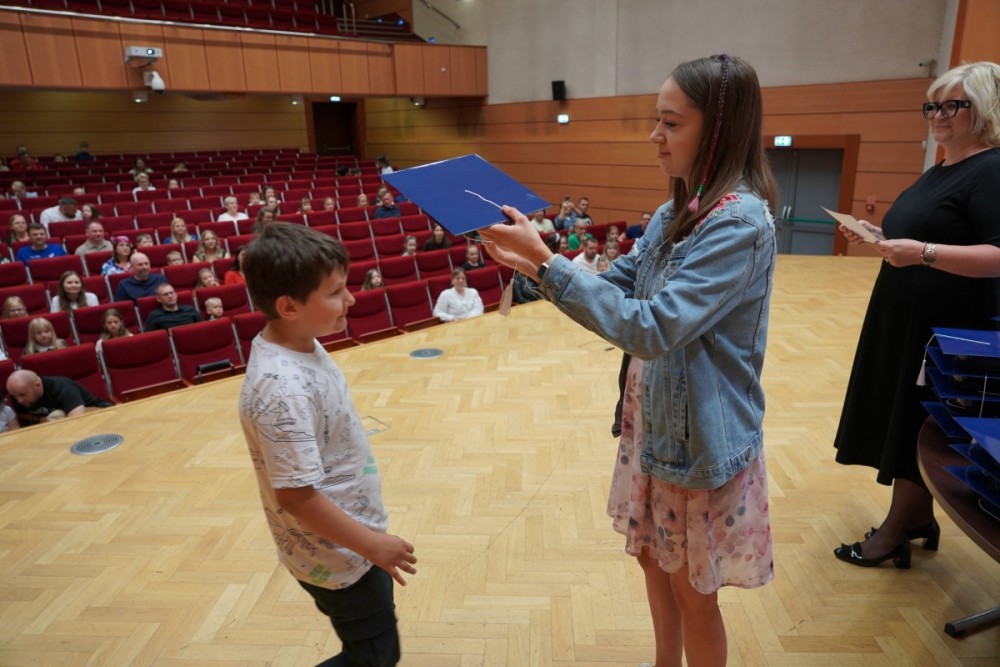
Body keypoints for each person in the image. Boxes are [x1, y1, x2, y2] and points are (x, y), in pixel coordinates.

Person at [478, 54, 776, 667]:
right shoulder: (674, 213)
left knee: (694, 592)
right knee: (651, 562)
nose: (654, 135)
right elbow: (615, 287)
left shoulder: (741, 223)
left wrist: (547, 264)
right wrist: (530, 261)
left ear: (719, 129)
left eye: (671, 122)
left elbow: (653, 326)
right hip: (652, 424)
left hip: (698, 440)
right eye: (656, 119)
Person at [832, 61, 1000, 569]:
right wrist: (879, 238)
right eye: (932, 105)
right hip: (908, 316)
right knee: (904, 414)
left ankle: (894, 532)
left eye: (953, 105)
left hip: (946, 327)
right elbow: (932, 236)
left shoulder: (991, 169)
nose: (938, 115)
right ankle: (919, 518)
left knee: (915, 419)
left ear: (986, 109)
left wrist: (922, 252)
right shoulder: (942, 169)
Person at [238, 223, 417, 666]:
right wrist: (372, 546)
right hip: (340, 556)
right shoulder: (282, 390)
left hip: (347, 543)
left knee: (373, 651)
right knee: (374, 658)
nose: (351, 299)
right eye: (336, 292)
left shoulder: (300, 343)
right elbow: (296, 496)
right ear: (289, 306)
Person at [7, 370, 111, 426]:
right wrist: (38, 419)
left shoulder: (63, 388)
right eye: (14, 396)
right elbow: (23, 414)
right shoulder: (18, 392)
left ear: (37, 385)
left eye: (22, 395)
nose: (19, 400)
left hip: (100, 416)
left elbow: (78, 423)